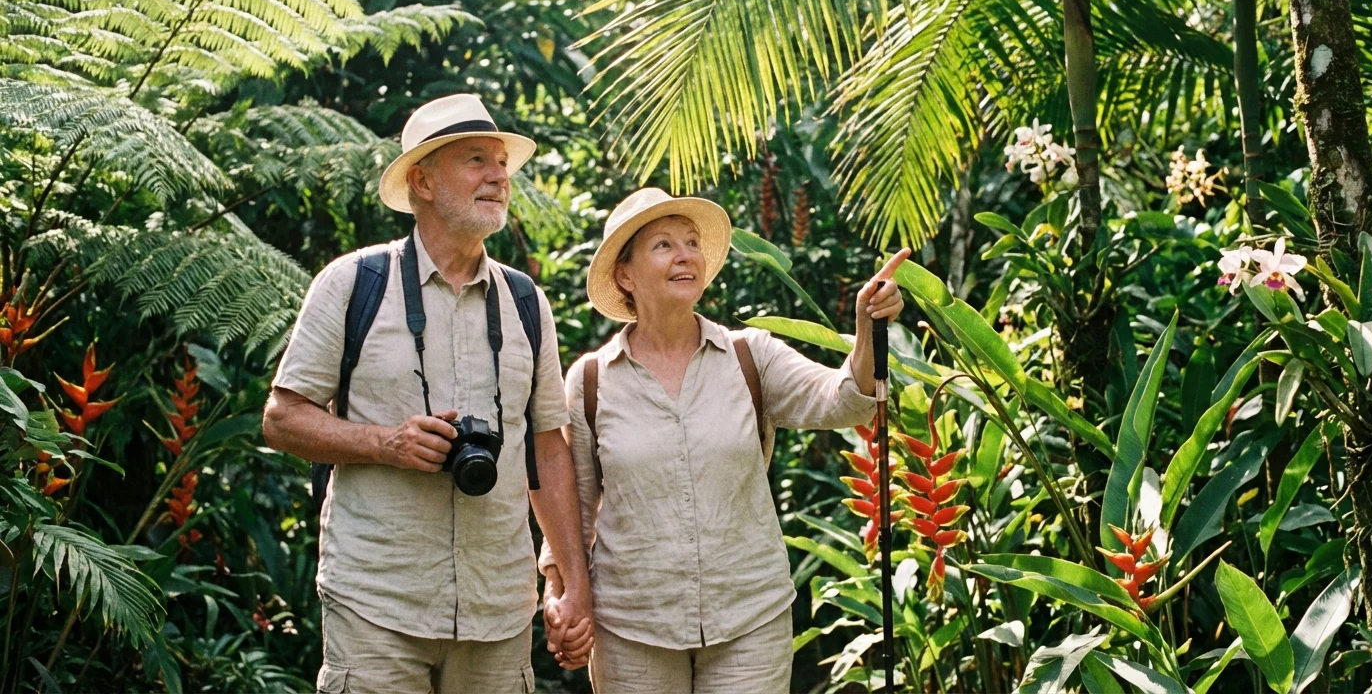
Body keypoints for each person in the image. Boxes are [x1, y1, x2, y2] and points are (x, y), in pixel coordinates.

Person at [263, 94, 592, 693]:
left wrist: (573, 584)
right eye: (476, 160)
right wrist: (385, 442)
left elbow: (547, 448)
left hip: (499, 608)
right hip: (378, 602)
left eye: (501, 163)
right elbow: (282, 419)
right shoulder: (352, 284)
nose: (498, 175)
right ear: (422, 181)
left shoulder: (524, 303)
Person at [538, 187, 909, 692]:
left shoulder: (749, 356)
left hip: (749, 619)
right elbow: (574, 509)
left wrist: (867, 330)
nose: (686, 254)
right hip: (632, 627)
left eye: (692, 242)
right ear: (625, 275)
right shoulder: (590, 381)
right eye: (663, 245)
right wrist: (560, 593)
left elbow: (841, 398)